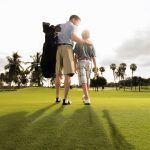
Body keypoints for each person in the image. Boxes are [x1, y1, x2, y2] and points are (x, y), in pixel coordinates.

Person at [55, 15, 92, 105]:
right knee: (68, 75)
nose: (78, 25)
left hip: (58, 49)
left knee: (58, 74)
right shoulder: (72, 25)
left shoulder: (59, 25)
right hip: (67, 48)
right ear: (74, 19)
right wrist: (85, 41)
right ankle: (65, 99)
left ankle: (57, 97)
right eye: (78, 22)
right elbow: (73, 37)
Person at [74, 30, 98, 105]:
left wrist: (75, 66)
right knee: (85, 81)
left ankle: (85, 96)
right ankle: (87, 98)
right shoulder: (90, 43)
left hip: (83, 62)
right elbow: (93, 56)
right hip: (87, 62)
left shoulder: (79, 43)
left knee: (86, 81)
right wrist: (95, 67)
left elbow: (76, 56)